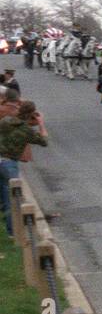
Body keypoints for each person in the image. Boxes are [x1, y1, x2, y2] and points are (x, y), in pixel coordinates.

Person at [0, 95, 48, 237]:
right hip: (9, 163)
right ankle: (12, 231)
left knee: (3, 194)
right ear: (32, 114)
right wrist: (41, 123)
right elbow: (44, 140)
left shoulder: (5, 121)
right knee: (13, 199)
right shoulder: (27, 131)